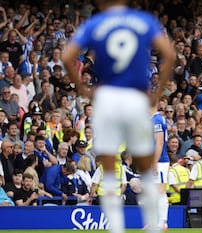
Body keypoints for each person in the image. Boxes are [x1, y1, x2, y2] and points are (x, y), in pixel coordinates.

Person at [61, 1, 175, 233]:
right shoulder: (143, 21)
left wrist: (83, 89)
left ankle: (116, 228)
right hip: (135, 97)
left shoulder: (96, 23)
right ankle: (155, 225)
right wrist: (157, 90)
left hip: (107, 99)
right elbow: (169, 55)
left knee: (110, 166)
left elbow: (67, 56)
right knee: (145, 166)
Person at [151, 103, 170, 229]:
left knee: (160, 190)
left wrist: (154, 162)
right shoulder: (154, 119)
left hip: (160, 161)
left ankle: (162, 222)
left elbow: (160, 141)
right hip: (154, 160)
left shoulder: (156, 120)